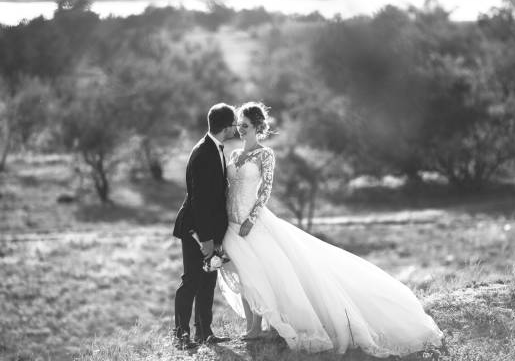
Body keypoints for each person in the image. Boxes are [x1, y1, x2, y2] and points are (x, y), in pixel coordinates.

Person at [218, 101, 444, 357]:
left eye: (245, 125)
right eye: (239, 125)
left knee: (260, 274)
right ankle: (252, 326)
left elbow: (265, 190)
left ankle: (258, 326)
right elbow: (227, 189)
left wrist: (250, 219)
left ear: (257, 127)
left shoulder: (265, 154)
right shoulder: (234, 155)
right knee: (245, 274)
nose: (241, 129)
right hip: (231, 224)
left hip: (253, 223)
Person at [172, 103, 236, 349]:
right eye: (233, 125)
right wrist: (207, 239)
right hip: (195, 230)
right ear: (225, 127)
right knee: (191, 280)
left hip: (211, 230)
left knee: (208, 279)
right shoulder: (203, 153)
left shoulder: (216, 148)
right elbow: (199, 200)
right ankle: (180, 335)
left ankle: (204, 332)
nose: (235, 129)